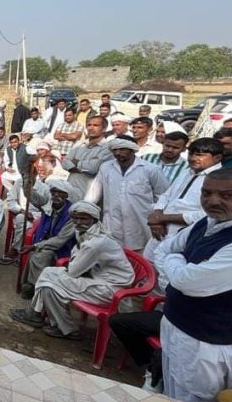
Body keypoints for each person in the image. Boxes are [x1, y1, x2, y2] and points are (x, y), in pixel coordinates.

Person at [154, 168, 232, 402]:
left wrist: (177, 266)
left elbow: (188, 282)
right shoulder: (207, 222)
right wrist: (178, 272)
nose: (213, 201)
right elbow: (163, 249)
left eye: (227, 196)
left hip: (203, 346)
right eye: (206, 193)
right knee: (169, 390)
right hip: (174, 326)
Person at [10, 201, 134, 340]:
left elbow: (74, 271)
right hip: (95, 280)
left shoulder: (96, 242)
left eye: (83, 218)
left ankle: (62, 326)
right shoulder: (86, 233)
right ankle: (39, 315)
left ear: (93, 219)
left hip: (110, 290)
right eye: (76, 219)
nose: (78, 222)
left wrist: (73, 265)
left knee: (49, 284)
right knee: (48, 274)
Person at [146, 137, 223, 265]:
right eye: (191, 154)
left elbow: (207, 215)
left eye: (200, 155)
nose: (193, 158)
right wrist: (157, 215)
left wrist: (163, 218)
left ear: (217, 158)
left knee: (169, 272)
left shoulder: (220, 180)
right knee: (147, 267)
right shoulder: (188, 172)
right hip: (160, 231)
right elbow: (166, 195)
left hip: (185, 236)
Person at [87, 137, 168, 251]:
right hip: (112, 223)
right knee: (113, 255)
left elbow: (163, 196)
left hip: (140, 223)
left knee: (140, 258)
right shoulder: (106, 168)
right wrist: (86, 211)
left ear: (132, 150)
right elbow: (94, 193)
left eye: (122, 149)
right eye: (115, 150)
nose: (118, 153)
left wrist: (158, 219)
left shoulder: (150, 169)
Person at [12, 180, 77, 299]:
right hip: (42, 242)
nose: (55, 195)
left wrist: (36, 246)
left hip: (60, 249)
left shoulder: (71, 215)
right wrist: (28, 181)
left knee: (41, 256)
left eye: (59, 192)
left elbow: (60, 240)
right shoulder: (48, 205)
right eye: (53, 192)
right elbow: (33, 197)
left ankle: (38, 292)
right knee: (34, 254)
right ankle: (31, 285)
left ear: (66, 195)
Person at [61, 116, 112, 197]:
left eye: (95, 125)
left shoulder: (107, 148)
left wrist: (75, 162)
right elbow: (64, 162)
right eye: (89, 125)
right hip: (70, 190)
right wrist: (85, 165)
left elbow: (94, 168)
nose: (91, 128)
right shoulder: (79, 144)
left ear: (104, 129)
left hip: (89, 194)